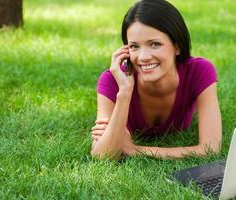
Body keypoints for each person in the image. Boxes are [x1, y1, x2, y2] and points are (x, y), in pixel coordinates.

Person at [91, 0, 222, 159]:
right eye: (134, 46)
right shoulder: (112, 81)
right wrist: (124, 93)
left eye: (154, 44)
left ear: (177, 46)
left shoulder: (199, 71)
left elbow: (211, 149)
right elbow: (102, 156)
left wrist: (136, 150)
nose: (143, 57)